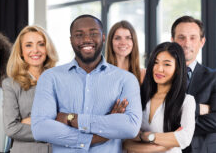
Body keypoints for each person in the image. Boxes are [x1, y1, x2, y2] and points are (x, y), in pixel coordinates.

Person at [31, 14, 142, 153]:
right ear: (71, 40)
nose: (87, 39)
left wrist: (72, 119)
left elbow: (130, 127)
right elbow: (41, 129)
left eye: (93, 33)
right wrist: (100, 133)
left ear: (103, 37)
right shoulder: (50, 78)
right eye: (79, 35)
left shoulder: (126, 79)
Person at [123, 42, 196, 153]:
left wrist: (145, 136)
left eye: (167, 64)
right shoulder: (139, 96)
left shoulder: (186, 101)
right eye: (156, 63)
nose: (159, 69)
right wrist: (165, 144)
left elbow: (184, 138)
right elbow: (125, 141)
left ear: (177, 69)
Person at [2, 25, 58, 153]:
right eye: (28, 45)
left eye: (41, 44)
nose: (35, 50)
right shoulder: (10, 85)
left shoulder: (59, 81)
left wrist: (33, 121)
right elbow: (11, 128)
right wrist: (50, 129)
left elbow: (69, 119)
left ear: (47, 48)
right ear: (21, 51)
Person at [171, 16, 216, 153]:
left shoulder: (214, 78)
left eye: (193, 38)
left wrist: (178, 125)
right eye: (181, 37)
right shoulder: (159, 75)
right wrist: (198, 109)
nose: (186, 43)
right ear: (172, 41)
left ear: (202, 42)